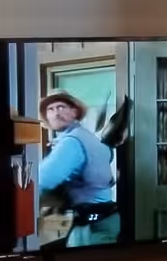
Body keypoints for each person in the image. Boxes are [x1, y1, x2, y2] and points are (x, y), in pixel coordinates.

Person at [37, 91, 118, 247]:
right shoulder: (87, 136)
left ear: (74, 112)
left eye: (61, 107)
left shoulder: (71, 142)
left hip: (91, 226)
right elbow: (107, 157)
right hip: (107, 218)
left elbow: (43, 180)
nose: (56, 113)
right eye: (51, 109)